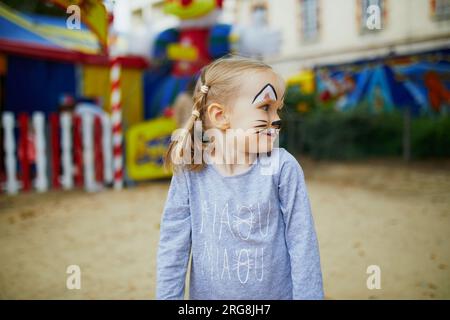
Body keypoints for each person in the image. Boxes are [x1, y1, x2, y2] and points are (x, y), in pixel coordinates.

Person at [156, 55, 324, 300]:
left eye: (278, 109)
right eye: (265, 107)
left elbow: (303, 245)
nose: (276, 119)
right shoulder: (191, 169)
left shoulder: (282, 168)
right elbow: (173, 248)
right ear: (221, 116)